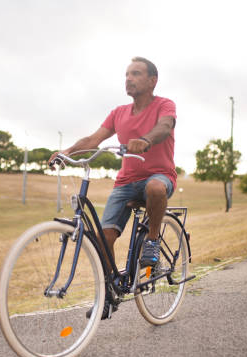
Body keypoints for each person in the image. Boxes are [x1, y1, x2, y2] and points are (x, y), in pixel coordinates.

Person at [49, 56, 177, 318]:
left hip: (160, 176)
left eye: (136, 74)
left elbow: (165, 127)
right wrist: (67, 151)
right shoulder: (119, 113)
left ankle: (152, 242)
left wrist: (144, 140)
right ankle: (110, 292)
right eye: (127, 74)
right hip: (125, 183)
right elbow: (95, 139)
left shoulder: (164, 105)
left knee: (154, 187)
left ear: (152, 81)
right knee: (102, 239)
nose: (129, 78)